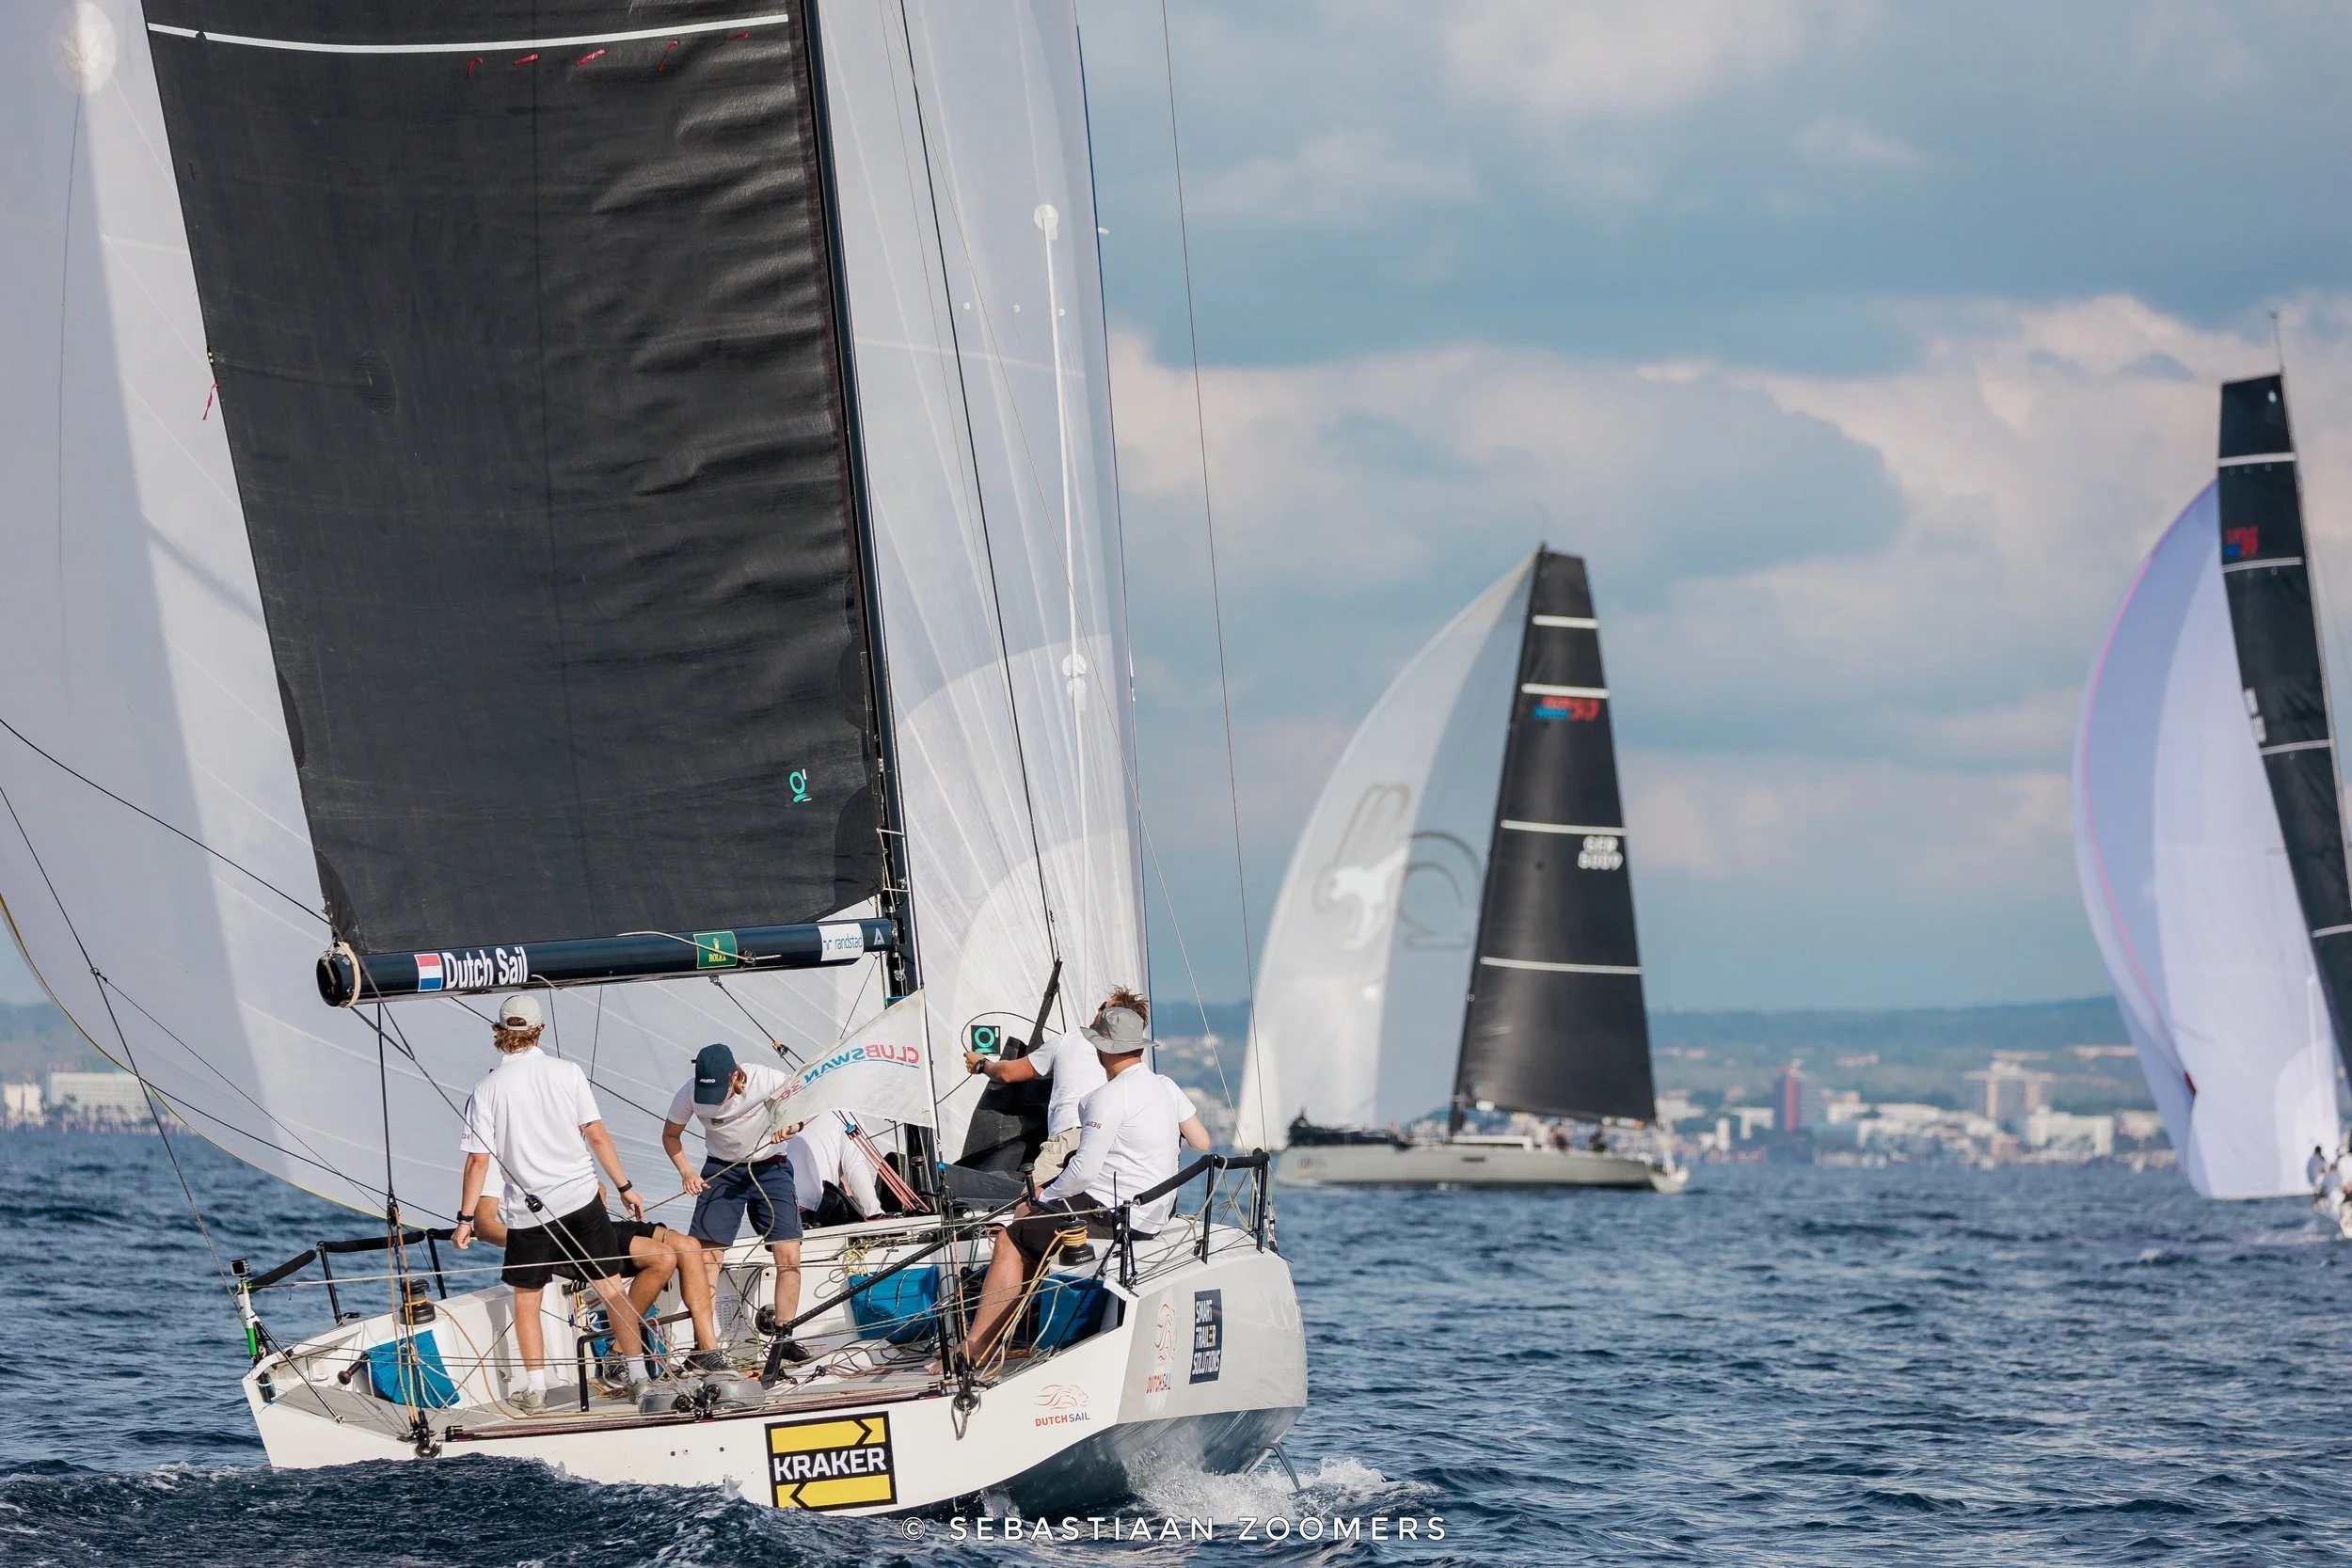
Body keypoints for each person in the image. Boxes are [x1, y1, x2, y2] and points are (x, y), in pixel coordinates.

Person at [964, 1003, 1210, 1361]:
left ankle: (978, 1348)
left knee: (1012, 1236)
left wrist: (1044, 1195)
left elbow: (1082, 1172)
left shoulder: (1104, 1097)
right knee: (1035, 1223)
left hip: (1116, 1214)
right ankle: (1019, 1321)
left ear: (1101, 1049)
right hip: (1155, 1215)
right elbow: (1202, 1142)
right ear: (1140, 1046)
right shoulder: (1165, 1086)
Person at [450, 992, 653, 1414]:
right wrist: (625, 1186)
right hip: (581, 1200)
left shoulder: (485, 1089)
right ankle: (639, 1377)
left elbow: (477, 1160)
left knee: (528, 1299)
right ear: (539, 1029)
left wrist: (466, 1218)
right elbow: (596, 1134)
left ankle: (537, 1388)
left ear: (498, 1032)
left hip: (529, 1214)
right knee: (611, 1287)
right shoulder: (567, 1072)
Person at [662, 1042, 810, 1363]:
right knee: (706, 1261)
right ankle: (706, 1348)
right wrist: (686, 1172)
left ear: (735, 1076)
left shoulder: (766, 1079)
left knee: (789, 1254)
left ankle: (784, 1337)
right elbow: (670, 1136)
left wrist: (794, 1124)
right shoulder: (688, 1094)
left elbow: (809, 1097)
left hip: (771, 1167)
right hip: (722, 1169)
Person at [470, 1192, 727, 1373]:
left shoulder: (556, 1141)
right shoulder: (495, 1163)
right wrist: (534, 1238)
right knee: (662, 1259)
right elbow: (484, 1227)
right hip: (551, 1241)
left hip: (592, 1225)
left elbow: (596, 1187)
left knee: (689, 1246)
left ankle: (705, 1351)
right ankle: (618, 1355)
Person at [963, 988, 1149, 1183]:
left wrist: (982, 1064)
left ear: (1106, 1015)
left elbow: (1007, 1073)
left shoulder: (1068, 1041)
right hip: (1122, 1143)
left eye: (1103, 1007)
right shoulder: (1137, 1064)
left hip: (1073, 1136)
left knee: (1032, 1201)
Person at [785, 1109, 882, 1229]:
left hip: (775, 1205)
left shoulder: (792, 1112)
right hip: (811, 1210)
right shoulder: (846, 1117)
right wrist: (874, 1213)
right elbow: (855, 1168)